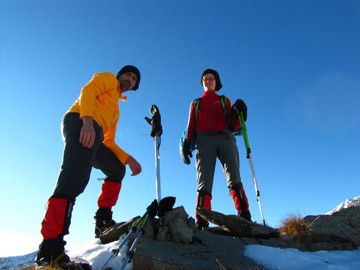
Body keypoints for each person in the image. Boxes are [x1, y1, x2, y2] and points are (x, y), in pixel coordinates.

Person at [35, 65, 142, 269]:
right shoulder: (109, 79)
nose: (130, 79)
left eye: (134, 79)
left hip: (97, 134)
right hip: (80, 121)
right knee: (73, 179)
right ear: (120, 75)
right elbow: (88, 91)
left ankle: (103, 221)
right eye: (128, 75)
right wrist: (87, 122)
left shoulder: (116, 108)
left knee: (116, 170)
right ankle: (50, 251)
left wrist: (128, 159)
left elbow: (109, 141)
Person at [180, 68, 251, 229]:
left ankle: (245, 216)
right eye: (205, 79)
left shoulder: (225, 100)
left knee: (234, 177)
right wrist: (186, 143)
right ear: (202, 83)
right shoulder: (196, 103)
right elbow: (191, 125)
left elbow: (233, 125)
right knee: (203, 182)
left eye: (211, 78)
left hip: (225, 137)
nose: (208, 81)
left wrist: (241, 116)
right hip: (204, 140)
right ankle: (202, 221)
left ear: (216, 82)